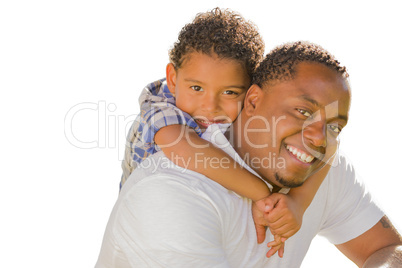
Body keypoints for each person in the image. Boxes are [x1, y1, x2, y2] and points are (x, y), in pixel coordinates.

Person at [96, 41, 402, 267]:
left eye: (333, 127)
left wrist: (297, 202)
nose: (317, 137)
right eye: (302, 111)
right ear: (253, 101)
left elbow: (387, 248)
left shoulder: (314, 160)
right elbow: (179, 143)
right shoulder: (172, 191)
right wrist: (263, 196)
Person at [119, 8, 330, 255]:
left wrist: (297, 203)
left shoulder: (246, 111)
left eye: (230, 92)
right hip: (147, 233)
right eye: (196, 87)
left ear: (251, 92)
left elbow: (325, 144)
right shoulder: (159, 107)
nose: (210, 106)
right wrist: (263, 194)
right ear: (173, 79)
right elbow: (186, 149)